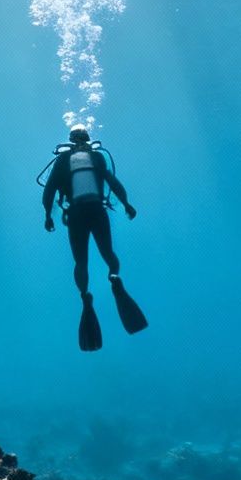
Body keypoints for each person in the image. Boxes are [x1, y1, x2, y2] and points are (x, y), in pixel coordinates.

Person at [41, 125, 145, 349]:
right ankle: (114, 278)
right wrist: (126, 204)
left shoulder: (62, 160)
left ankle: (85, 296)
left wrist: (48, 216)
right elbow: (113, 182)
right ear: (88, 140)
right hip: (97, 211)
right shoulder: (96, 157)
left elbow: (49, 190)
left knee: (81, 262)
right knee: (108, 253)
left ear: (70, 141)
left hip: (76, 214)